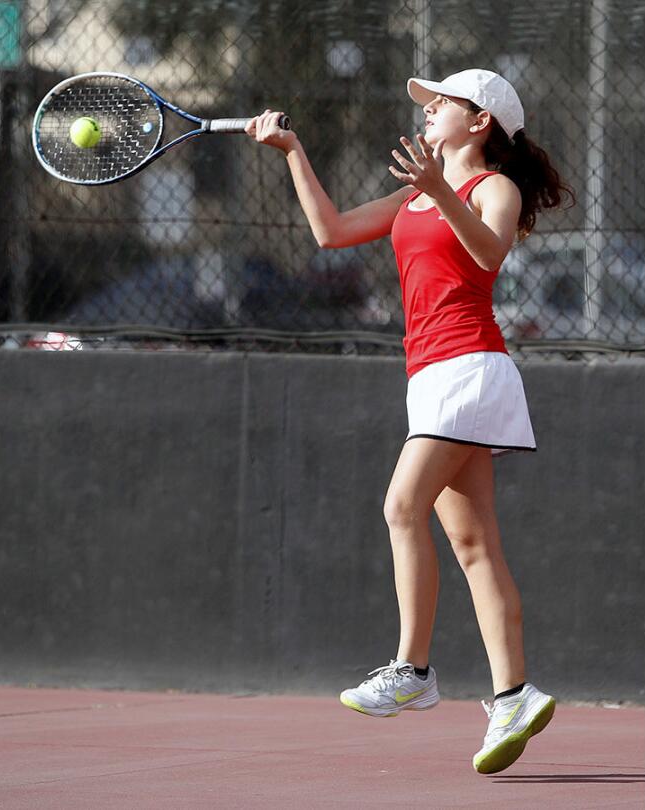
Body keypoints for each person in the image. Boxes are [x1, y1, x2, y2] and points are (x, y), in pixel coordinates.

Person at [246, 68, 574, 774]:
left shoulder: (493, 188)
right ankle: (514, 695)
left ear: (480, 121)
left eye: (441, 106)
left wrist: (437, 193)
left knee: (402, 506)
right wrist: (294, 152)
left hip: (472, 368)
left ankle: (412, 670)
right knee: (473, 543)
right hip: (428, 378)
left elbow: (488, 255)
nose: (426, 115)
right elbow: (331, 233)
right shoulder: (411, 194)